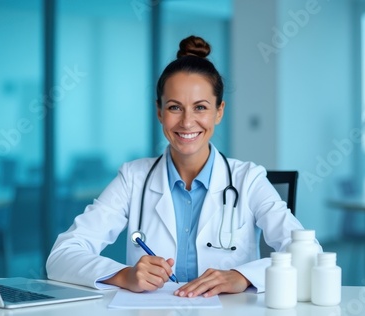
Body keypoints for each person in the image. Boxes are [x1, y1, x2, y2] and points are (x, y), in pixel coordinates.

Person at [46, 35, 310, 297]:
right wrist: (124, 275)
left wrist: (242, 276)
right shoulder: (133, 177)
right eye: (174, 107)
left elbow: (307, 255)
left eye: (200, 107)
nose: (187, 122)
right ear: (159, 111)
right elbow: (62, 256)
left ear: (219, 111)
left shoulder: (248, 179)